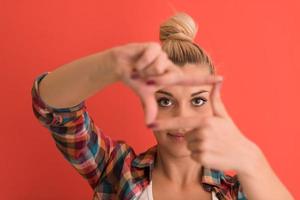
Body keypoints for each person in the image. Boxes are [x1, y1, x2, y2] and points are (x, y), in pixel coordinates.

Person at [31, 12, 294, 200]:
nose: (181, 117)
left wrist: (251, 160)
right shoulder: (116, 171)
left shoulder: (239, 191)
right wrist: (112, 63)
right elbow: (53, 109)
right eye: (165, 101)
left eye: (198, 100)